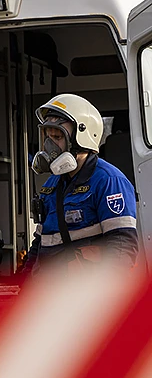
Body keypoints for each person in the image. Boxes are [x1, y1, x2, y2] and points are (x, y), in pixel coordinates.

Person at [28, 93, 138, 270]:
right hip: (50, 285)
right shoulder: (51, 184)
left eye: (58, 137)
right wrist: (22, 281)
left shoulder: (109, 181)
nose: (50, 146)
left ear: (82, 137)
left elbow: (121, 247)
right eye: (48, 137)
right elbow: (40, 244)